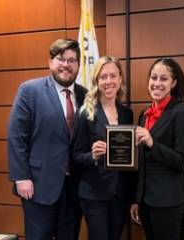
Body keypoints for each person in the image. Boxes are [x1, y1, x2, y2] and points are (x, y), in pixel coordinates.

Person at [7, 39, 87, 240]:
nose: (66, 65)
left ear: (78, 65)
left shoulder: (85, 95)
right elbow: (16, 136)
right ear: (51, 62)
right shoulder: (29, 90)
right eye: (61, 59)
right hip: (38, 186)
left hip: (74, 188)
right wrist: (21, 177)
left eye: (72, 60)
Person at [130, 58, 184, 240]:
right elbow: (141, 161)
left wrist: (152, 143)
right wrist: (136, 199)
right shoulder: (144, 114)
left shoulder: (182, 113)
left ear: (173, 83)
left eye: (163, 79)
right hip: (146, 200)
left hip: (169, 201)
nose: (157, 83)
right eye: (153, 77)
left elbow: (183, 161)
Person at [71, 55, 133, 240]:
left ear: (120, 78)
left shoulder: (127, 114)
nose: (108, 81)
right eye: (103, 77)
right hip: (94, 193)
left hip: (120, 194)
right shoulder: (86, 112)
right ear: (96, 81)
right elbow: (75, 155)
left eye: (113, 76)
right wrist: (93, 155)